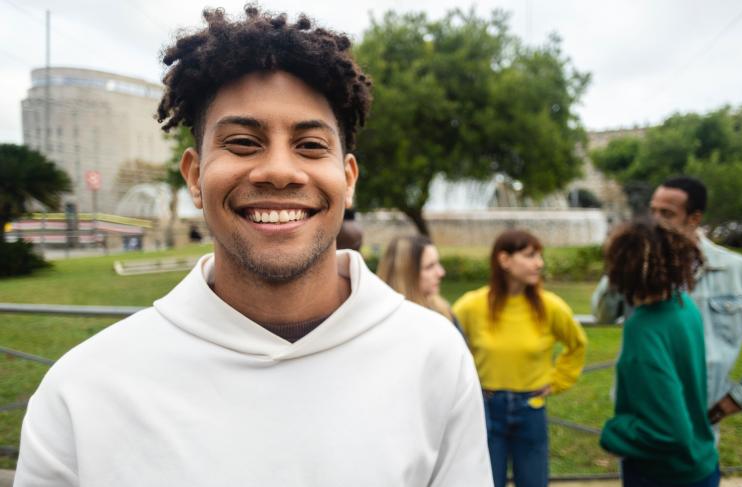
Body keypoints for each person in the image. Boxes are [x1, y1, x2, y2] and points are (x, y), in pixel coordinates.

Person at [14, 7, 492, 486]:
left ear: (348, 180)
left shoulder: (433, 357)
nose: (280, 171)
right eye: (243, 142)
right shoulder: (82, 390)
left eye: (309, 145)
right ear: (194, 176)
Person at [592, 176, 742, 428]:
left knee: (697, 463)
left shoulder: (737, 271)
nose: (655, 221)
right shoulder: (637, 268)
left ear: (694, 218)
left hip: (702, 417)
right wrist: (621, 268)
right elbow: (602, 315)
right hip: (641, 416)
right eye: (652, 211)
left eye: (667, 214)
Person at [453, 229, 587, 487]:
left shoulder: (551, 306)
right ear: (504, 260)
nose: (540, 263)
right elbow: (446, 344)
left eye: (540, 255)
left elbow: (577, 344)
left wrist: (559, 380)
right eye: (530, 255)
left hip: (531, 409)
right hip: (486, 410)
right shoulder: (471, 306)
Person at [599, 218, 719, 487]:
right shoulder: (683, 305)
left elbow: (669, 433)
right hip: (702, 465)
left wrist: (612, 433)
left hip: (663, 475)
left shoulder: (643, 329)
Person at [377, 234, 456, 325]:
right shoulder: (386, 322)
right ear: (405, 273)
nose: (441, 273)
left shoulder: (443, 312)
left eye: (438, 263)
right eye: (429, 267)